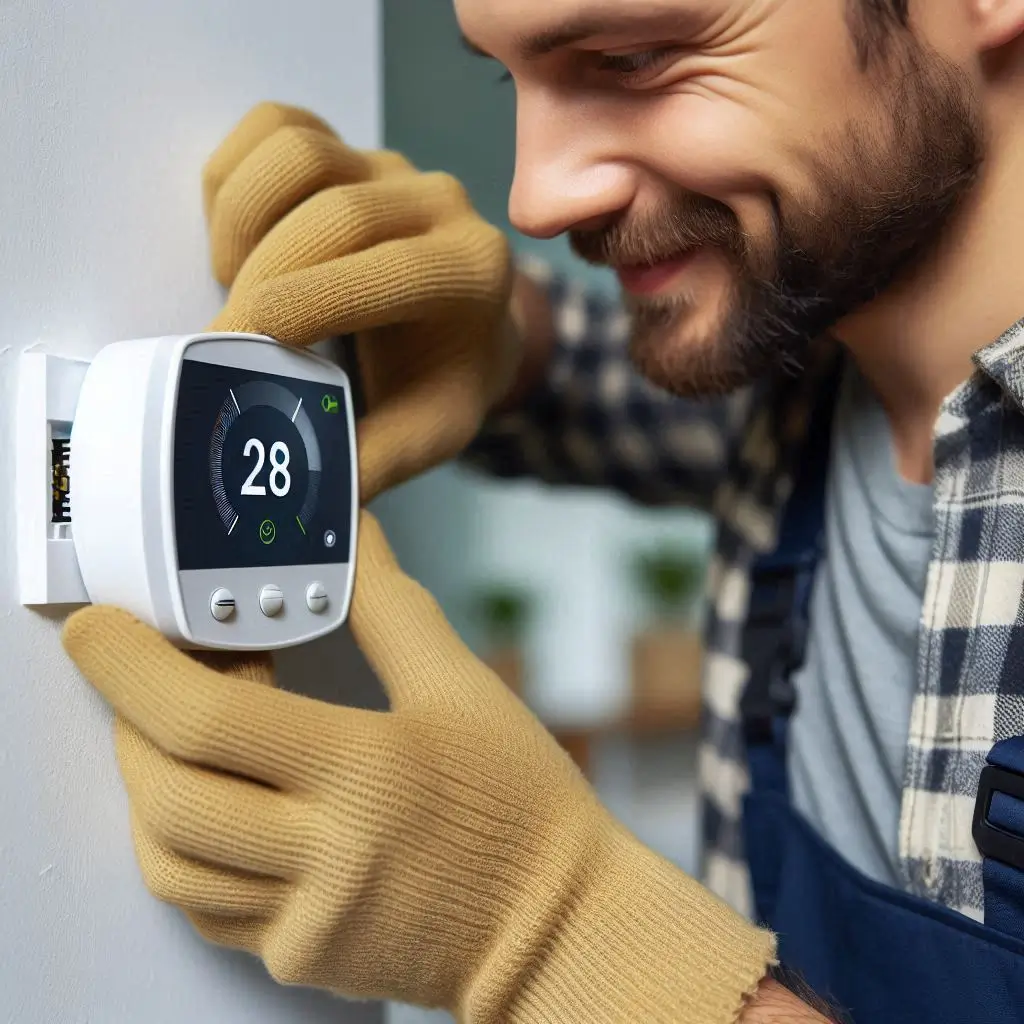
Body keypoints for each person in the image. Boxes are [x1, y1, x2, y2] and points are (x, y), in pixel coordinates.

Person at [61, 0, 1024, 1020]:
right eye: (506, 77)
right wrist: (484, 330)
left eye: (633, 57)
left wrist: (552, 932)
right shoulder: (811, 368)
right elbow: (618, 380)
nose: (533, 199)